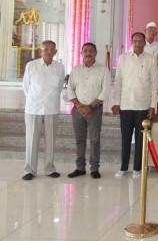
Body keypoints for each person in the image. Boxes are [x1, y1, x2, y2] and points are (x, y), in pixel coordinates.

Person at [112, 32, 158, 178]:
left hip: (143, 105)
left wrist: (153, 105)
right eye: (135, 41)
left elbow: (155, 84)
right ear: (131, 42)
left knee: (140, 138)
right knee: (125, 137)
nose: (137, 43)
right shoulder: (124, 58)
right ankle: (123, 167)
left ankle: (137, 168)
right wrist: (116, 102)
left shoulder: (151, 60)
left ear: (145, 43)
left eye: (140, 41)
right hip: (126, 104)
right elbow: (118, 81)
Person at [22, 40, 65, 180]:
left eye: (52, 49)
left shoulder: (59, 67)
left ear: (55, 52)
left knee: (50, 140)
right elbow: (26, 87)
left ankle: (50, 168)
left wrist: (49, 100)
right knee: (31, 140)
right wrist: (35, 99)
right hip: (33, 108)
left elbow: (59, 87)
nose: (49, 52)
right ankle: (29, 170)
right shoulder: (31, 66)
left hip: (51, 109)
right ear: (40, 51)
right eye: (46, 49)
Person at [66, 43, 111, 179]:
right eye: (85, 50)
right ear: (81, 53)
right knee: (79, 140)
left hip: (95, 110)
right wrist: (80, 106)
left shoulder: (103, 70)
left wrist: (90, 107)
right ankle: (80, 167)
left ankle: (94, 168)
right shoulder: (76, 70)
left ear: (96, 53)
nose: (88, 53)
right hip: (78, 110)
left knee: (94, 140)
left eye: (91, 50)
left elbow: (105, 91)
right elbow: (70, 89)